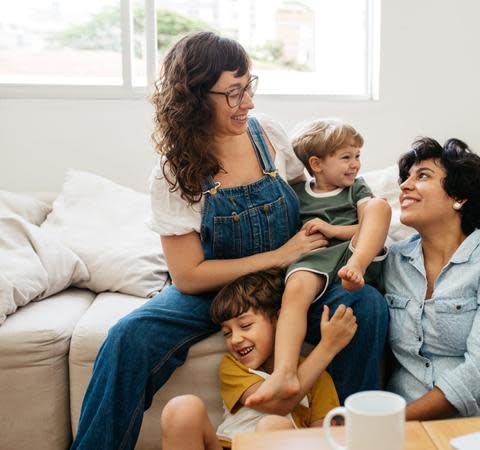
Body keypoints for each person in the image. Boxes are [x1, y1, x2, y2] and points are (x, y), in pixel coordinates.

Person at [70, 31, 388, 450]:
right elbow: (187, 276)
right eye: (234, 93)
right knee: (128, 337)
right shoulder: (174, 174)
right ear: (196, 97)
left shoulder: (268, 135)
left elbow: (309, 199)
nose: (249, 103)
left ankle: (356, 441)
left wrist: (339, 235)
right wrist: (276, 254)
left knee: (365, 306)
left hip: (293, 277)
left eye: (249, 87)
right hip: (216, 288)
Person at [383, 137, 480, 420]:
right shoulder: (393, 260)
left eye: (422, 176)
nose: (405, 186)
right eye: (406, 177)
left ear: (459, 197)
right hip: (413, 432)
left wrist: (390, 421)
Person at [247, 119, 391, 406]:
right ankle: (285, 372)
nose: (355, 165)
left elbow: (369, 225)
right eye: (346, 157)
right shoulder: (298, 195)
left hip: (353, 252)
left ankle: (358, 268)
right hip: (315, 257)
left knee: (380, 206)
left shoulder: (356, 190)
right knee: (296, 289)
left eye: (358, 156)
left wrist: (333, 230)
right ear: (316, 164)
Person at [160, 269, 355, 449]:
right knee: (182, 409)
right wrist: (327, 348)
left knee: (273, 425)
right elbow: (275, 403)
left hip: (283, 443)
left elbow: (322, 439)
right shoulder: (234, 367)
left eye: (245, 325)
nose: (235, 339)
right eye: (227, 333)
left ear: (278, 320)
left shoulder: (319, 379)